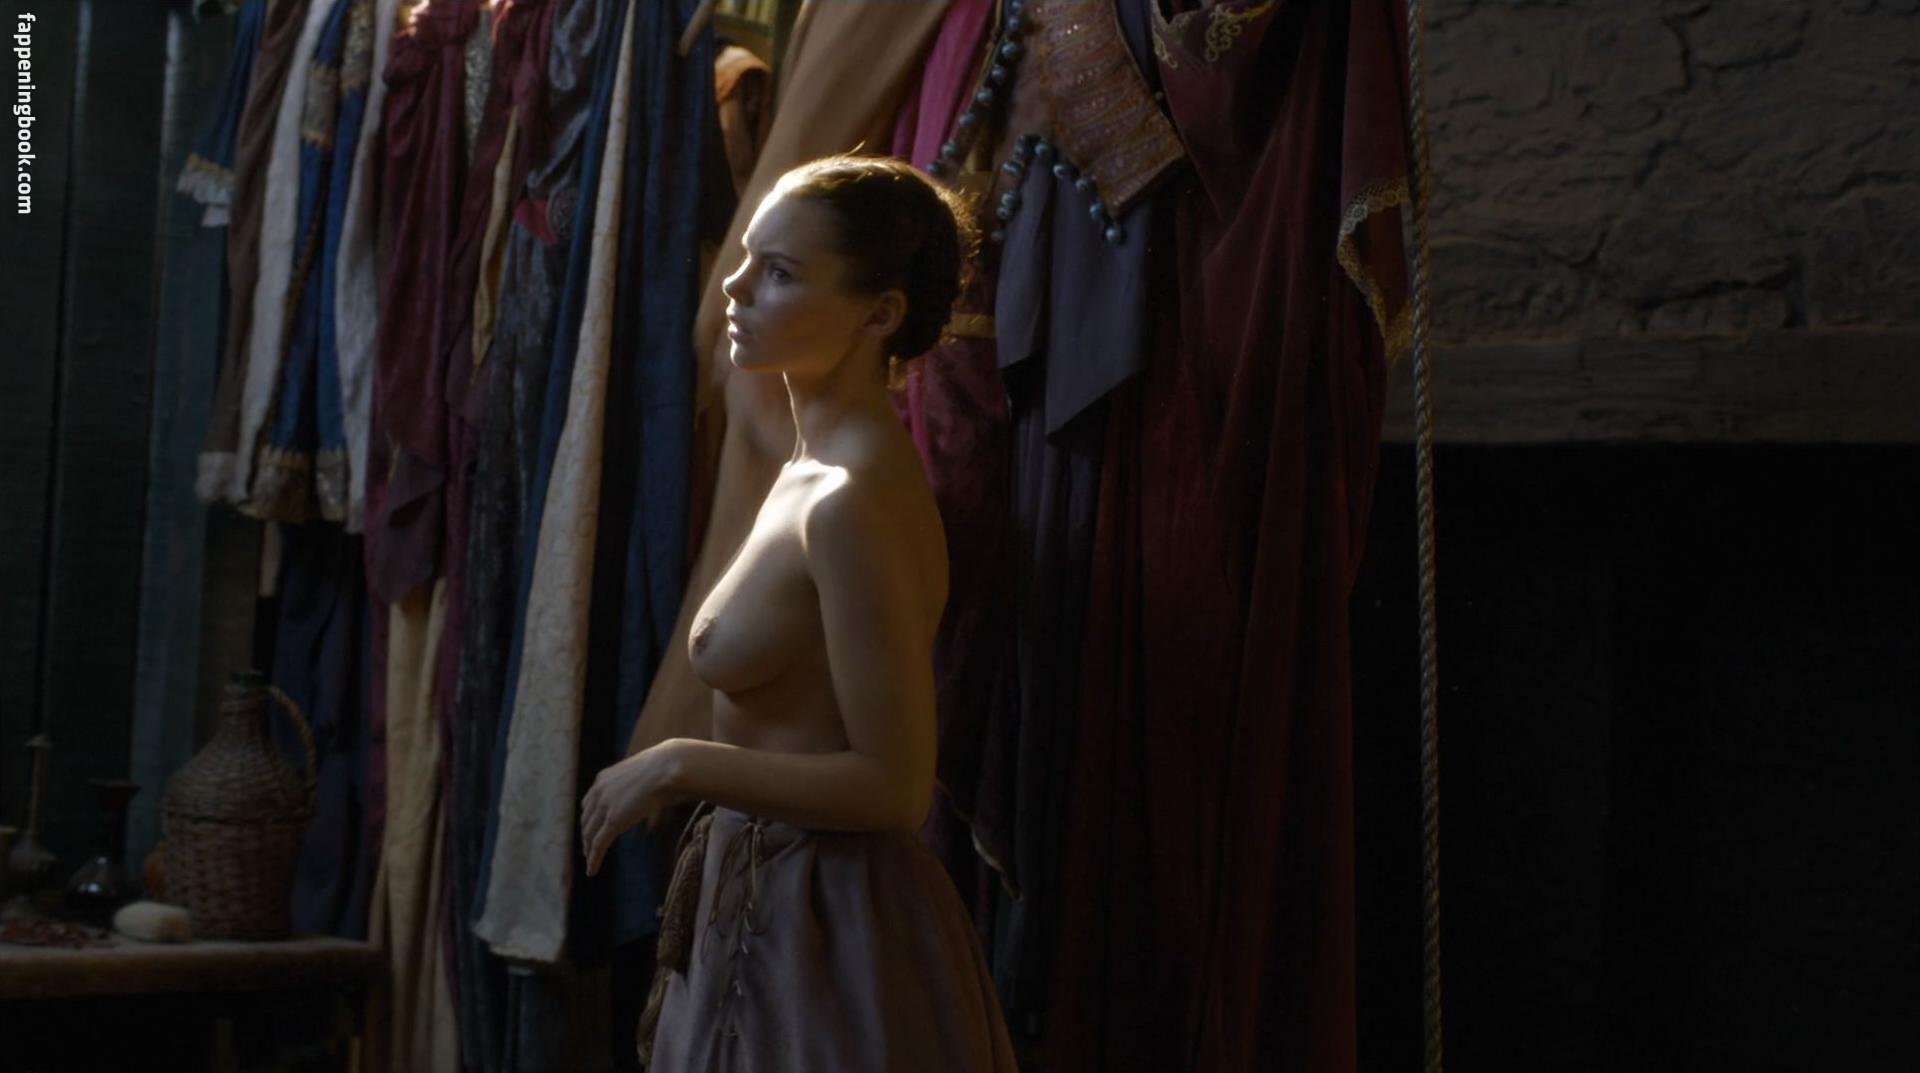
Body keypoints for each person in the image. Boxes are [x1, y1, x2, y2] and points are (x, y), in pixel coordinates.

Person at [579, 155, 1018, 1072]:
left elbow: (895, 785)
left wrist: (678, 762)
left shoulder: (852, 499)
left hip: (825, 935)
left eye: (778, 272)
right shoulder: (809, 468)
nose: (735, 287)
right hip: (765, 910)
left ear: (879, 314)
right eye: (747, 257)